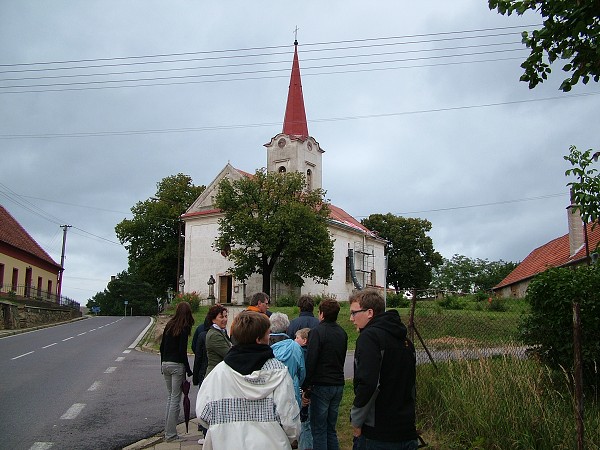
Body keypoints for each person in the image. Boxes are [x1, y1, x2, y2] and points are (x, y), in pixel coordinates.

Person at [196, 311, 300, 449]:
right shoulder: (278, 372)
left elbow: (203, 412)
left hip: (226, 443)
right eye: (268, 334)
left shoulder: (219, 373)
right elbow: (289, 418)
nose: (269, 338)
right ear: (258, 339)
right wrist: (292, 438)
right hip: (271, 443)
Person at [349, 289, 419, 450]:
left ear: (369, 313)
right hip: (406, 429)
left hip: (378, 433)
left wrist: (356, 420)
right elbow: (411, 386)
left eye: (354, 313)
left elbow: (368, 384)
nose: (351, 318)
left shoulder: (369, 338)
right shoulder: (405, 340)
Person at [302, 299, 348, 450]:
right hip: (338, 383)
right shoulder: (342, 333)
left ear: (321, 314)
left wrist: (306, 385)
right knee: (331, 428)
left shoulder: (316, 332)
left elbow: (311, 359)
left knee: (319, 429)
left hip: (321, 384)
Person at [159, 301, 194, 442]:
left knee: (170, 398)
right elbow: (182, 351)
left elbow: (162, 347)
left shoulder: (169, 325)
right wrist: (188, 369)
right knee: (175, 399)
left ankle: (167, 431)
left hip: (165, 363)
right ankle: (171, 435)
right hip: (176, 365)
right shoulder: (183, 328)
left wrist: (162, 363)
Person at [270, 312, 306, 407]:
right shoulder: (296, 347)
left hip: (270, 391)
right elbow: (302, 372)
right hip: (291, 391)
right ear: (287, 328)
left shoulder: (265, 347)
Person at [192, 314, 212, 445]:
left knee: (204, 401)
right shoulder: (204, 333)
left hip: (203, 371)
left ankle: (205, 430)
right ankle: (205, 431)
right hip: (206, 370)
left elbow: (195, 350)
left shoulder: (200, 330)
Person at [295, 328, 313, 450]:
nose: (294, 340)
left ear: (304, 340)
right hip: (309, 391)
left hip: (304, 392)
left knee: (304, 423)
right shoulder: (312, 353)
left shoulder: (301, 354)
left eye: (297, 338)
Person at [205, 304, 232, 375]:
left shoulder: (221, 331)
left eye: (226, 316)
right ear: (213, 320)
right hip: (215, 374)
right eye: (221, 317)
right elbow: (229, 354)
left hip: (220, 372)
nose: (225, 319)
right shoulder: (214, 335)